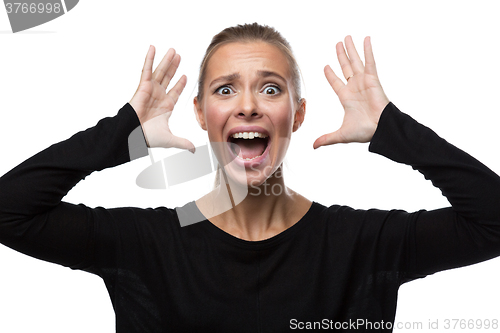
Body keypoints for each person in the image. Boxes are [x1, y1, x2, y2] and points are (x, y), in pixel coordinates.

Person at [1, 22, 500, 332]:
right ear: (199, 113)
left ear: (297, 114)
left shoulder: (363, 245)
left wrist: (394, 129)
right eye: (224, 90)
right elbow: (9, 211)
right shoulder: (143, 244)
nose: (246, 106)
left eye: (269, 89)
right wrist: (121, 131)